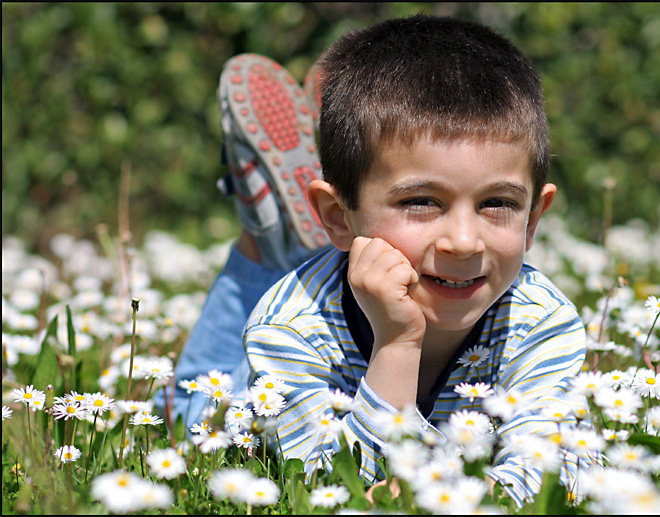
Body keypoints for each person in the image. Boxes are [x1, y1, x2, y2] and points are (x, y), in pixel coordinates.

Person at [167, 14, 587, 506]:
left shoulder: (542, 321)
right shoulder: (288, 328)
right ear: (336, 214)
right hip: (239, 408)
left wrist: (446, 496)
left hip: (347, 244)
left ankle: (296, 222)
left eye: (498, 203)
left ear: (534, 217)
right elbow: (320, 486)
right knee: (188, 419)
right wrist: (396, 347)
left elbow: (560, 468)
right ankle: (263, 243)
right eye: (422, 202)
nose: (465, 242)